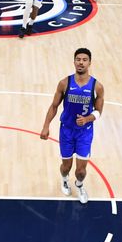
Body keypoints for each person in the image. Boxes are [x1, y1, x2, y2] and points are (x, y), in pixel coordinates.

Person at [40, 48, 105, 204]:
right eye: (78, 59)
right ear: (74, 61)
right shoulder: (64, 83)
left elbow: (98, 112)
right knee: (66, 166)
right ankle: (64, 180)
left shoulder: (97, 87)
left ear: (89, 62)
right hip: (67, 131)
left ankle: (79, 185)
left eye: (84, 60)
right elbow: (54, 106)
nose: (81, 62)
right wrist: (46, 126)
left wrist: (87, 119)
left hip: (85, 133)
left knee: (81, 171)